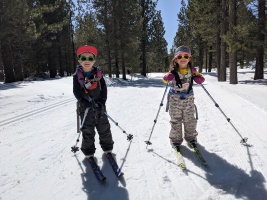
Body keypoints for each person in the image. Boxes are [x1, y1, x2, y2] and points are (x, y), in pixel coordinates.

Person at [73, 45, 114, 158]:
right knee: (87, 130)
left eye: (90, 59)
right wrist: (82, 101)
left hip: (99, 105)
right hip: (85, 108)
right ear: (79, 60)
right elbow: (76, 91)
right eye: (84, 58)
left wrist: (102, 101)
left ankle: (107, 147)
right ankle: (89, 151)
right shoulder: (77, 76)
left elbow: (104, 89)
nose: (87, 61)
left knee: (104, 127)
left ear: (94, 61)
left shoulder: (98, 75)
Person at [162, 45, 205, 151]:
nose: (183, 59)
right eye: (179, 57)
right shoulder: (172, 71)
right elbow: (164, 79)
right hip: (174, 99)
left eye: (186, 56)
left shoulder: (192, 70)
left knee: (190, 120)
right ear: (175, 59)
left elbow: (201, 78)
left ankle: (191, 138)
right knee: (176, 121)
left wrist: (199, 78)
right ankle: (175, 140)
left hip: (188, 99)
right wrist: (167, 78)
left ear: (189, 58)